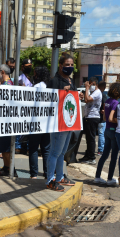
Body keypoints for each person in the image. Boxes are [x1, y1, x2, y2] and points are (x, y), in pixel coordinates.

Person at [46, 53, 83, 191]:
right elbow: (49, 99)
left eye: (72, 65)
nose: (70, 67)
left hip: (69, 122)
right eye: (67, 65)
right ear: (61, 66)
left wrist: (77, 94)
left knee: (62, 152)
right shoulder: (55, 81)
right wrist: (61, 92)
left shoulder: (70, 81)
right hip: (58, 123)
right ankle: (50, 180)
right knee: (54, 152)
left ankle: (60, 176)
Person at [94, 82, 120, 186]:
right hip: (113, 131)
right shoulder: (116, 103)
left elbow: (105, 118)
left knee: (104, 155)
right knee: (114, 156)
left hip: (107, 130)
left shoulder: (107, 101)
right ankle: (110, 178)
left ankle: (97, 177)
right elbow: (111, 118)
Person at [0, 64, 17, 177]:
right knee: (4, 147)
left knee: (6, 147)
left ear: (2, 72)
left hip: (5, 120)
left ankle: (10, 168)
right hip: (5, 120)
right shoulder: (8, 84)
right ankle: (7, 167)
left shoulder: (6, 85)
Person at [28, 66, 51, 179]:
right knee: (46, 150)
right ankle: (47, 174)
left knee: (33, 149)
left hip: (35, 122)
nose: (34, 75)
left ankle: (34, 174)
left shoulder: (36, 87)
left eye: (35, 73)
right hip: (46, 123)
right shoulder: (49, 87)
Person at [78, 77, 102, 165]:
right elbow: (85, 99)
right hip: (88, 117)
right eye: (90, 84)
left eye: (92, 84)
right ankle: (87, 155)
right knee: (88, 138)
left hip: (93, 117)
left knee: (91, 138)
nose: (91, 86)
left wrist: (87, 88)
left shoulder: (97, 92)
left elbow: (87, 99)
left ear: (96, 84)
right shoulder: (92, 92)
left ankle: (91, 157)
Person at [15, 58, 33, 154]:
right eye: (27, 67)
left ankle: (22, 146)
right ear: (22, 67)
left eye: (30, 66)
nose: (29, 68)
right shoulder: (19, 78)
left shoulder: (28, 77)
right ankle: (18, 146)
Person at [97, 81, 108, 156]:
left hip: (94, 117)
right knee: (101, 134)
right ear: (104, 88)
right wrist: (104, 110)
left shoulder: (94, 94)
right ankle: (101, 150)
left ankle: (100, 149)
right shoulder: (103, 95)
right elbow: (105, 104)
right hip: (101, 118)